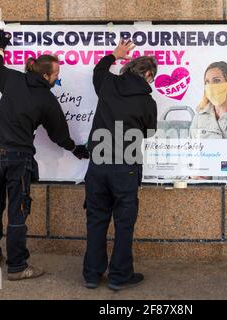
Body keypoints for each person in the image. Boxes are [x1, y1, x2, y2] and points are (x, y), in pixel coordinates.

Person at [0, 29, 89, 281]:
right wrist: (76, 149)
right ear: (45, 75)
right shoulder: (46, 99)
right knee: (18, 212)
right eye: (56, 75)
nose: (57, 78)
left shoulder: (13, 79)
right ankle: (18, 267)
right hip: (18, 160)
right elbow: (59, 135)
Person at [83, 39, 157, 291]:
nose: (151, 82)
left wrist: (116, 54)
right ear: (147, 74)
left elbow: (98, 70)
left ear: (128, 68)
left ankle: (92, 275)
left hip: (98, 164)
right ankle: (119, 277)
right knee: (124, 224)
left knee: (96, 220)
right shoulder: (148, 102)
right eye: (152, 77)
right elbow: (149, 133)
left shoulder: (108, 84)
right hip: (126, 166)